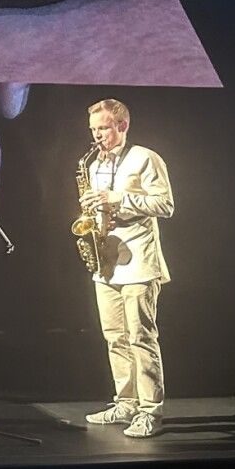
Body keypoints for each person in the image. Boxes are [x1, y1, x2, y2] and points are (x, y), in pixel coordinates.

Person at [79, 99, 174, 438]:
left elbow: (165, 204)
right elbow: (100, 209)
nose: (97, 136)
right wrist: (91, 211)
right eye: (93, 129)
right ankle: (126, 403)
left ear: (122, 125)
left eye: (103, 128)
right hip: (107, 263)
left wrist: (117, 199)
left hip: (139, 262)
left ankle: (150, 411)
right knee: (115, 338)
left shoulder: (145, 158)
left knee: (141, 338)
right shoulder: (93, 164)